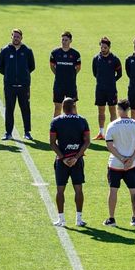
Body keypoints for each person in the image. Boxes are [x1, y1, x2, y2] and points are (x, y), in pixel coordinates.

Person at [103, 99, 135, 227]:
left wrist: (121, 158)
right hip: (132, 164)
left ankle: (111, 219)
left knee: (113, 190)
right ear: (128, 110)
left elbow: (109, 145)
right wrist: (131, 159)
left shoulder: (113, 125)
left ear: (119, 110)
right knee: (134, 191)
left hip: (115, 163)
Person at [49, 97, 90, 227]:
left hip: (62, 162)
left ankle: (61, 219)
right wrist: (76, 157)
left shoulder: (56, 121)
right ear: (73, 107)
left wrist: (63, 158)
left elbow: (52, 143)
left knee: (60, 190)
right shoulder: (82, 121)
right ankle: (79, 219)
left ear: (62, 107)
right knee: (78, 189)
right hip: (77, 161)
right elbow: (87, 141)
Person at [0, 28, 35, 141]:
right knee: (9, 109)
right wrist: (9, 75)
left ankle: (27, 132)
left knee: (25, 109)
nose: (16, 38)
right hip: (9, 86)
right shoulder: (5, 51)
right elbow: (0, 66)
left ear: (21, 38)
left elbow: (31, 66)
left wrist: (23, 77)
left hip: (24, 86)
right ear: (11, 37)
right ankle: (8, 133)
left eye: (18, 37)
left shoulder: (27, 51)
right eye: (14, 36)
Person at [92, 37, 122, 140]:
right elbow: (95, 73)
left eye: (105, 47)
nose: (103, 49)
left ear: (109, 47)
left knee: (112, 111)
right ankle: (101, 132)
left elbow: (119, 74)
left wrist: (111, 81)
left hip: (111, 90)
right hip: (100, 89)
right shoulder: (96, 59)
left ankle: (113, 133)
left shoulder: (114, 59)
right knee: (101, 111)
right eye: (101, 47)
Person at [50, 31, 81, 117]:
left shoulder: (75, 54)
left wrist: (71, 75)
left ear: (70, 41)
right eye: (62, 40)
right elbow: (52, 66)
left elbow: (78, 68)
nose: (64, 42)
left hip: (71, 85)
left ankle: (75, 128)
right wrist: (58, 75)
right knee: (57, 107)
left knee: (73, 107)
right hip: (58, 85)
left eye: (66, 40)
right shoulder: (55, 53)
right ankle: (55, 128)